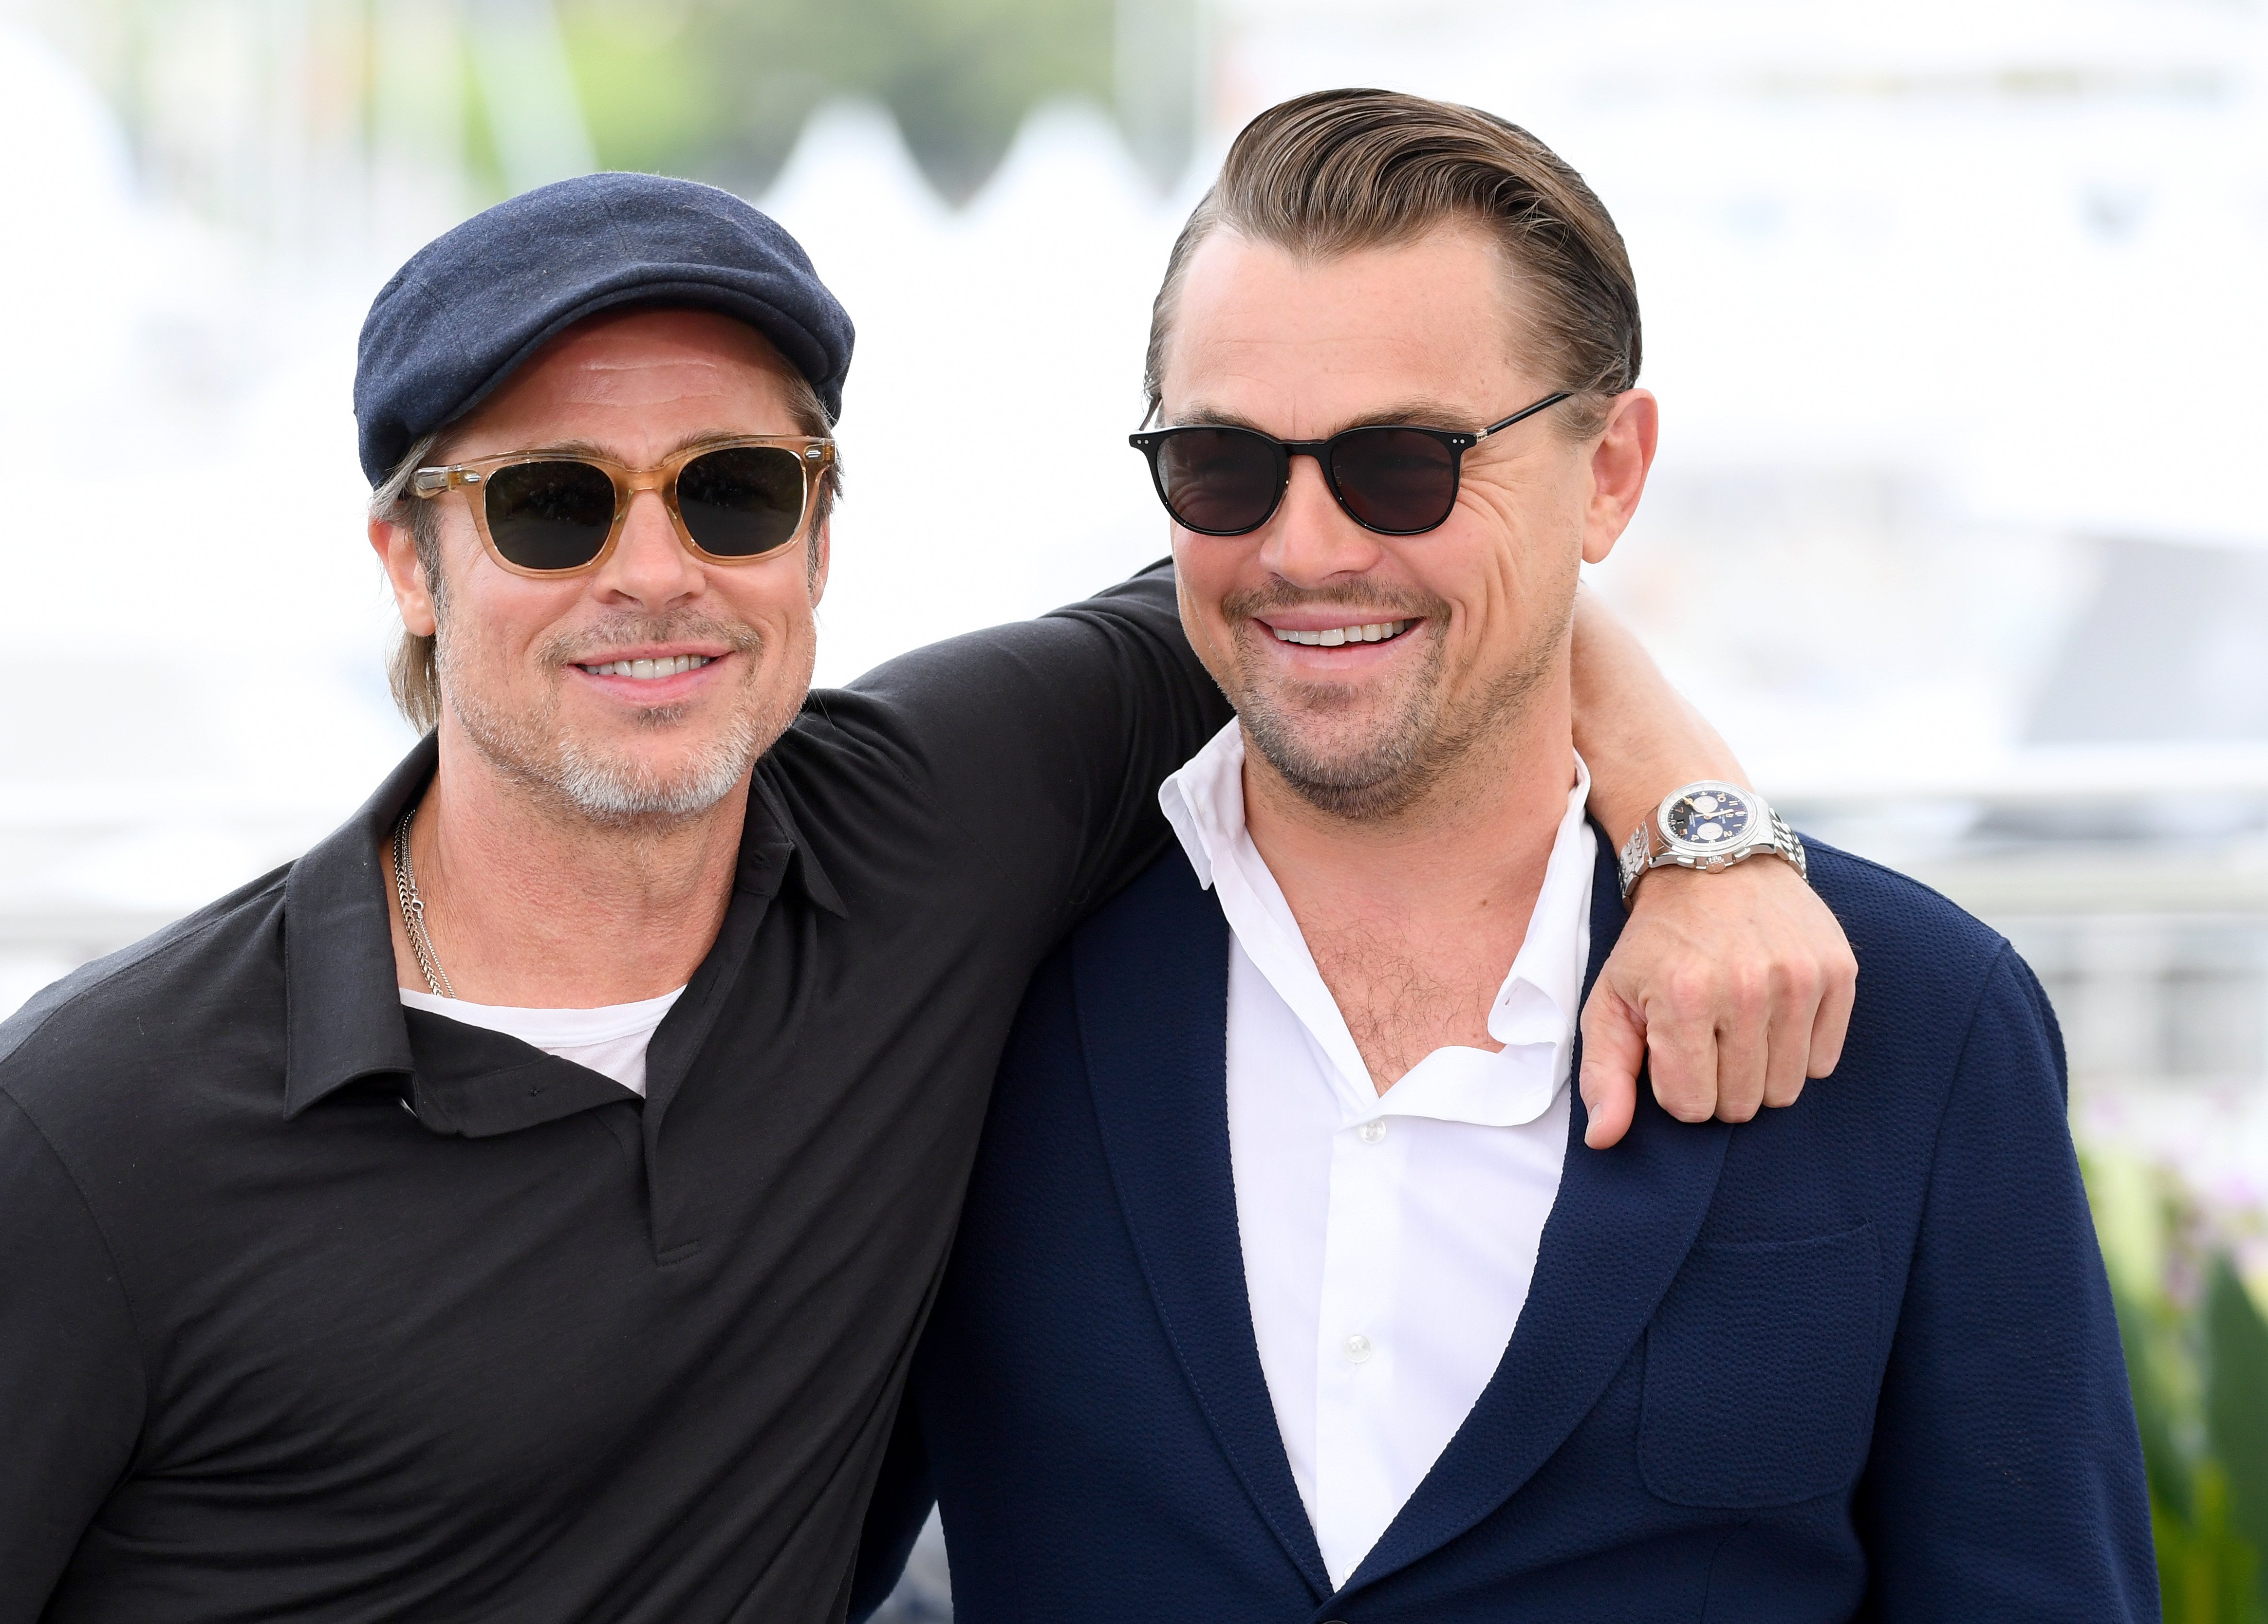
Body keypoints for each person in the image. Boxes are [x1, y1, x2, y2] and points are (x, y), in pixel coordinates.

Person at [0, 172, 1854, 1623]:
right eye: (549, 504)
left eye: (734, 491)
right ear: (406, 565)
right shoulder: (88, 1142)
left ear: (817, 534)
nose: (658, 572)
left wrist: (1700, 831)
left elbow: (1360, 590)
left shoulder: (934, 825)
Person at [854, 91, 2156, 1622]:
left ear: (1608, 474)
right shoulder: (983, 991)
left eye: (1401, 464)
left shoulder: (1918, 1024)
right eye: (1222, 464)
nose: (1305, 547)